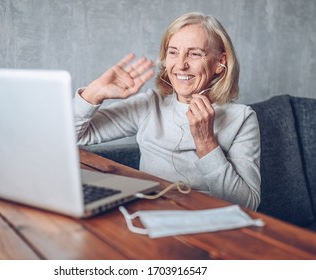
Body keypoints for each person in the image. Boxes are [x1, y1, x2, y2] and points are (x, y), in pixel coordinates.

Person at [74, 12, 261, 210]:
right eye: (173, 52)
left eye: (194, 53)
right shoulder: (150, 104)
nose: (180, 65)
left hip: (209, 220)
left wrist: (206, 144)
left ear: (219, 63)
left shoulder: (242, 118)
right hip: (150, 213)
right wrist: (94, 94)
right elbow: (74, 136)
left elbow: (248, 204)